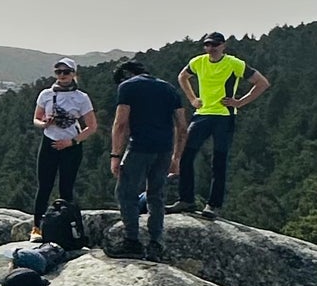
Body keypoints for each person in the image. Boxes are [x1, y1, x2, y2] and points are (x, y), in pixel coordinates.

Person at [177, 31, 270, 219]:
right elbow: (182, 77)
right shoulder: (198, 62)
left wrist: (240, 102)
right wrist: (192, 98)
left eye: (215, 45)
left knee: (218, 162)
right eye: (208, 45)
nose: (211, 48)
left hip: (224, 117)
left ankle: (213, 205)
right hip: (202, 114)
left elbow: (262, 83)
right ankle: (186, 200)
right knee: (186, 157)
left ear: (223, 46)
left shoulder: (234, 63)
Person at [110, 57, 187, 259]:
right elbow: (182, 126)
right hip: (164, 149)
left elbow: (120, 123)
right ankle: (156, 244)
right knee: (156, 195)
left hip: (139, 147)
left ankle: (132, 241)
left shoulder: (128, 87)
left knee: (126, 193)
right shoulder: (169, 88)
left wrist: (116, 155)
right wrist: (177, 157)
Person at [29, 62, 98, 237]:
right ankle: (37, 227)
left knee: (66, 188)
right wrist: (45, 124)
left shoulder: (81, 97)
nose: (62, 75)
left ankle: (67, 228)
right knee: (44, 186)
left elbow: (91, 127)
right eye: (58, 72)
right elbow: (36, 119)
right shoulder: (46, 94)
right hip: (49, 143)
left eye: (66, 72)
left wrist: (72, 142)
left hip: (71, 147)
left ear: (73, 73)